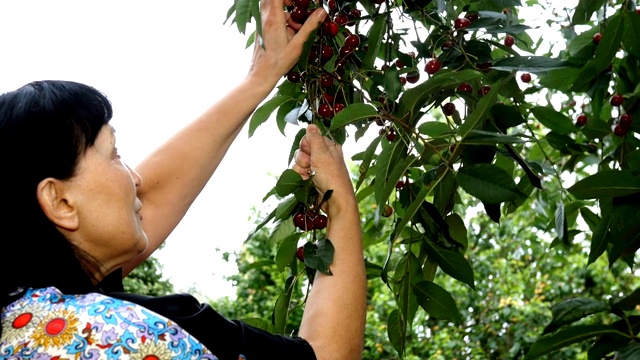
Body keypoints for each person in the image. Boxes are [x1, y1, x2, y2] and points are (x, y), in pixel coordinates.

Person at [0, 0, 367, 359]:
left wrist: (261, 77)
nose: (135, 175)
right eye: (114, 154)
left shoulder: (22, 315)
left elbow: (150, 202)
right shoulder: (144, 332)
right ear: (60, 202)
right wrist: (341, 203)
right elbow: (327, 354)